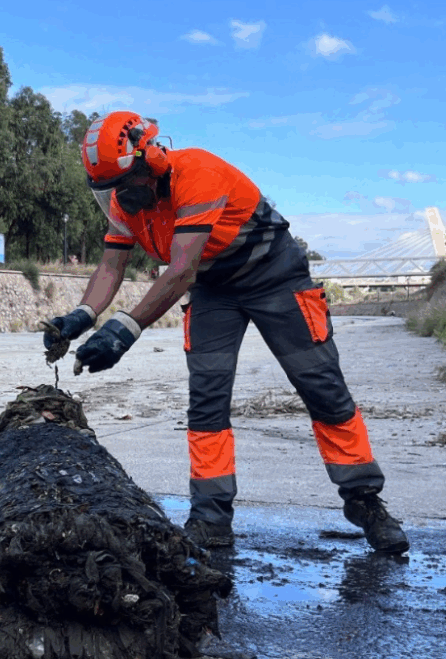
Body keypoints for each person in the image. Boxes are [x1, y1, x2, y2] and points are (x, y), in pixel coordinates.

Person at [43, 110, 408, 553]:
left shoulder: (198, 174)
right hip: (213, 289)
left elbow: (180, 270)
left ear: (150, 160)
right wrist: (81, 316)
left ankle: (364, 500)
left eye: (123, 184)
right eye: (108, 190)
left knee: (321, 385)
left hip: (275, 277)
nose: (118, 198)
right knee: (207, 398)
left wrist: (123, 330)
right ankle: (210, 517)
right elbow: (110, 266)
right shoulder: (126, 205)